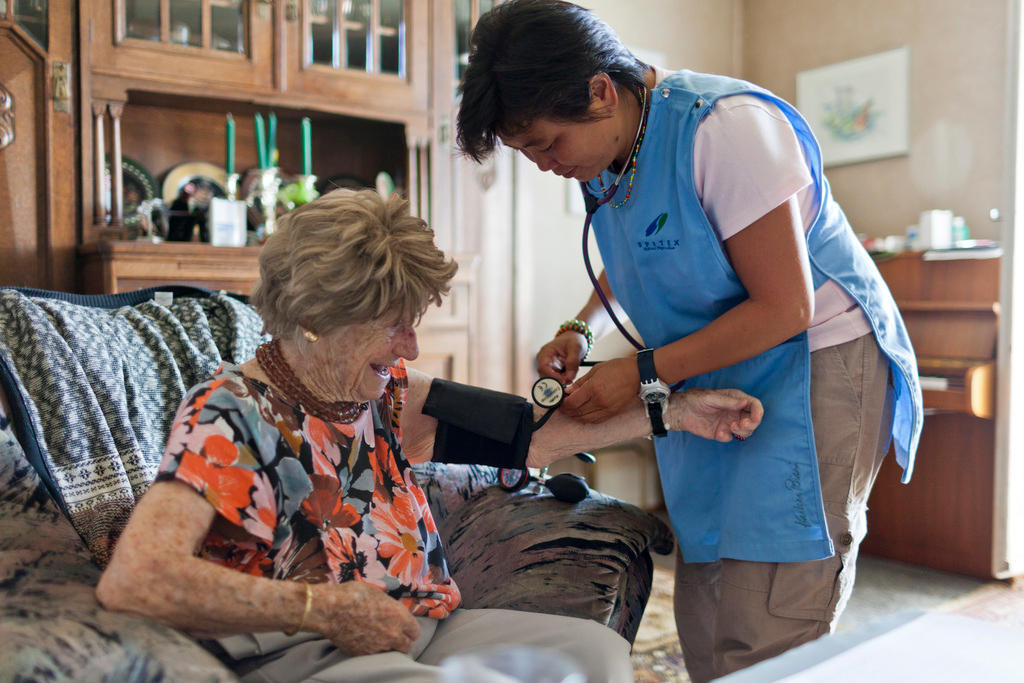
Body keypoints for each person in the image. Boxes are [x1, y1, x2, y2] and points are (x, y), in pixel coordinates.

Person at [95, 188, 764, 683]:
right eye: (395, 324)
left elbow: (523, 434)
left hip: (422, 626)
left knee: (596, 658)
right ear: (318, 318)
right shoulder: (230, 417)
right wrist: (319, 609)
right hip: (306, 655)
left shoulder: (376, 390)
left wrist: (674, 411)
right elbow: (134, 578)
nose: (413, 344)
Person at [455, 2, 924, 681]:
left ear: (599, 92)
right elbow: (647, 243)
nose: (544, 165)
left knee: (772, 604)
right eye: (528, 152)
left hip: (814, 353)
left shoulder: (726, 133)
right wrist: (583, 322)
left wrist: (640, 371)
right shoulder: (616, 149)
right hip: (717, 358)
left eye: (546, 145)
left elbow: (786, 305)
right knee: (708, 587)